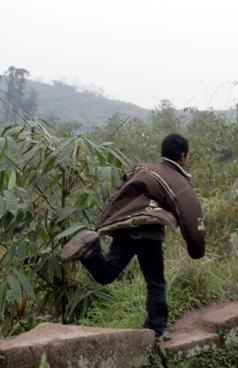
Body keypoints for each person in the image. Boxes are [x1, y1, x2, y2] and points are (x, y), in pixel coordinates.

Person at [60, 133, 206, 341]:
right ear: (183, 156)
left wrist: (103, 226)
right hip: (148, 234)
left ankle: (90, 252)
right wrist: (197, 249)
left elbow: (119, 195)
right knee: (155, 281)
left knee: (107, 273)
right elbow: (193, 216)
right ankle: (157, 329)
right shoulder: (177, 180)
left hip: (125, 227)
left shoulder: (143, 169)